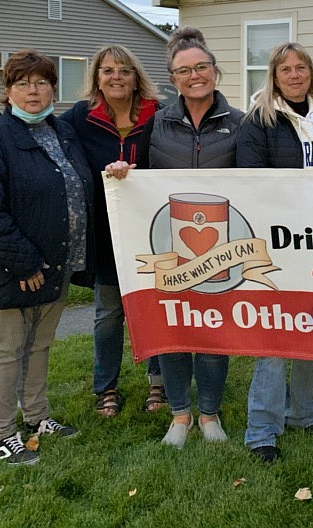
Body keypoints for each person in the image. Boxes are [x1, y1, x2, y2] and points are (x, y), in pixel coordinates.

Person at [105, 27, 243, 449]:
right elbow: (141, 173)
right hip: (168, 247)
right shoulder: (157, 123)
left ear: (215, 72)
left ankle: (210, 414)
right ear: (173, 77)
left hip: (221, 248)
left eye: (201, 67)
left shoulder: (240, 124)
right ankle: (180, 414)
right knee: (174, 330)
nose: (194, 75)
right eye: (184, 70)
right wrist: (123, 176)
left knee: (213, 332)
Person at [0, 50, 94, 465]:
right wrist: (22, 261)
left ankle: (36, 417)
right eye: (22, 83)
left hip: (57, 262)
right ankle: (0, 435)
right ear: (8, 90)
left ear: (53, 87)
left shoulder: (61, 132)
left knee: (39, 345)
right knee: (6, 347)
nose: (33, 91)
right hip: (13, 267)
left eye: (41, 82)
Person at [236, 42, 313, 463]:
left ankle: (303, 414)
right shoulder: (259, 121)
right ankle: (262, 430)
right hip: (277, 242)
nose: (295, 75)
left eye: (301, 68)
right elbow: (251, 183)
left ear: (310, 73)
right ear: (274, 76)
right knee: (275, 335)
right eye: (286, 70)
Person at [60, 45, 165, 418]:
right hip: (104, 234)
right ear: (96, 79)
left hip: (152, 230)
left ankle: (159, 382)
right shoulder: (80, 117)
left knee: (153, 307)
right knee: (108, 313)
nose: (116, 77)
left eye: (123, 70)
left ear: (136, 77)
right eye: (107, 71)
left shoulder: (159, 115)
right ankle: (106, 387)